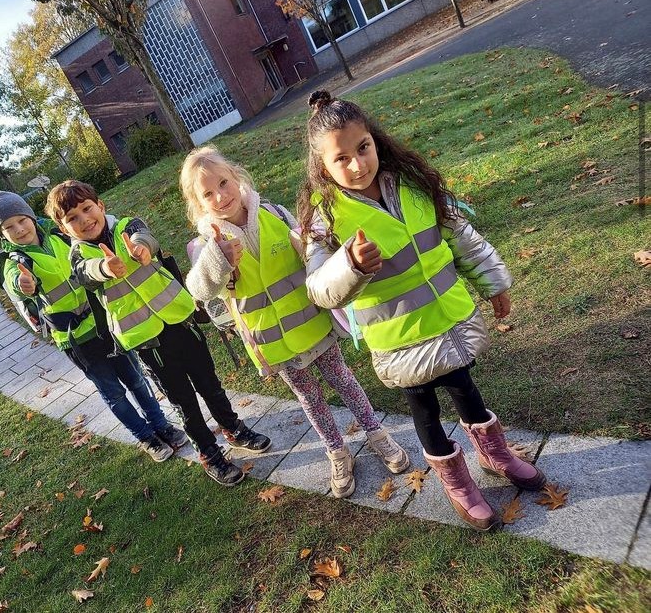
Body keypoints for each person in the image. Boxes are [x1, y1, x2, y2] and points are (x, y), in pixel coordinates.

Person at [298, 91, 546, 530]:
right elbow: (320, 288)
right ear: (322, 167)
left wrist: (494, 284)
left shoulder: (412, 184)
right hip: (401, 343)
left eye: (363, 148)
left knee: (468, 392)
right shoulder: (325, 219)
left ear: (375, 140)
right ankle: (457, 483)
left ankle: (495, 454)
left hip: (449, 321)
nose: (357, 165)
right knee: (426, 412)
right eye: (341, 159)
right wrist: (350, 266)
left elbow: (459, 235)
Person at [181, 146, 409, 498]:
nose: (220, 196)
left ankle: (377, 434)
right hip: (273, 341)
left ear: (236, 177)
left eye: (224, 183)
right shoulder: (204, 246)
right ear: (198, 203)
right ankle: (337, 451)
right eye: (207, 194)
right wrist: (216, 261)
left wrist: (304, 245)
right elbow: (198, 288)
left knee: (344, 381)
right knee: (310, 398)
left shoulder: (273, 212)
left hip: (313, 323)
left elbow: (311, 254)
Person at [44, 180, 272, 487]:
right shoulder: (78, 255)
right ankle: (209, 453)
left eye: (87, 209)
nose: (84, 219)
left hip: (181, 322)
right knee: (184, 403)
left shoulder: (129, 224)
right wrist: (106, 268)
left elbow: (145, 236)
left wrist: (141, 249)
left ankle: (233, 428)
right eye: (72, 218)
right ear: (62, 227)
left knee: (209, 383)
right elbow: (86, 273)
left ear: (100, 206)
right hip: (147, 341)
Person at [0, 191, 187, 462]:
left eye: (21, 220)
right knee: (113, 392)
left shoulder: (61, 236)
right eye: (8, 227)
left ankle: (161, 425)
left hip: (106, 323)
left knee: (137, 379)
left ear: (31, 218)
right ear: (1, 234)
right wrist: (23, 285)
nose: (19, 229)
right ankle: (145, 436)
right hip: (76, 339)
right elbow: (14, 282)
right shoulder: (15, 262)